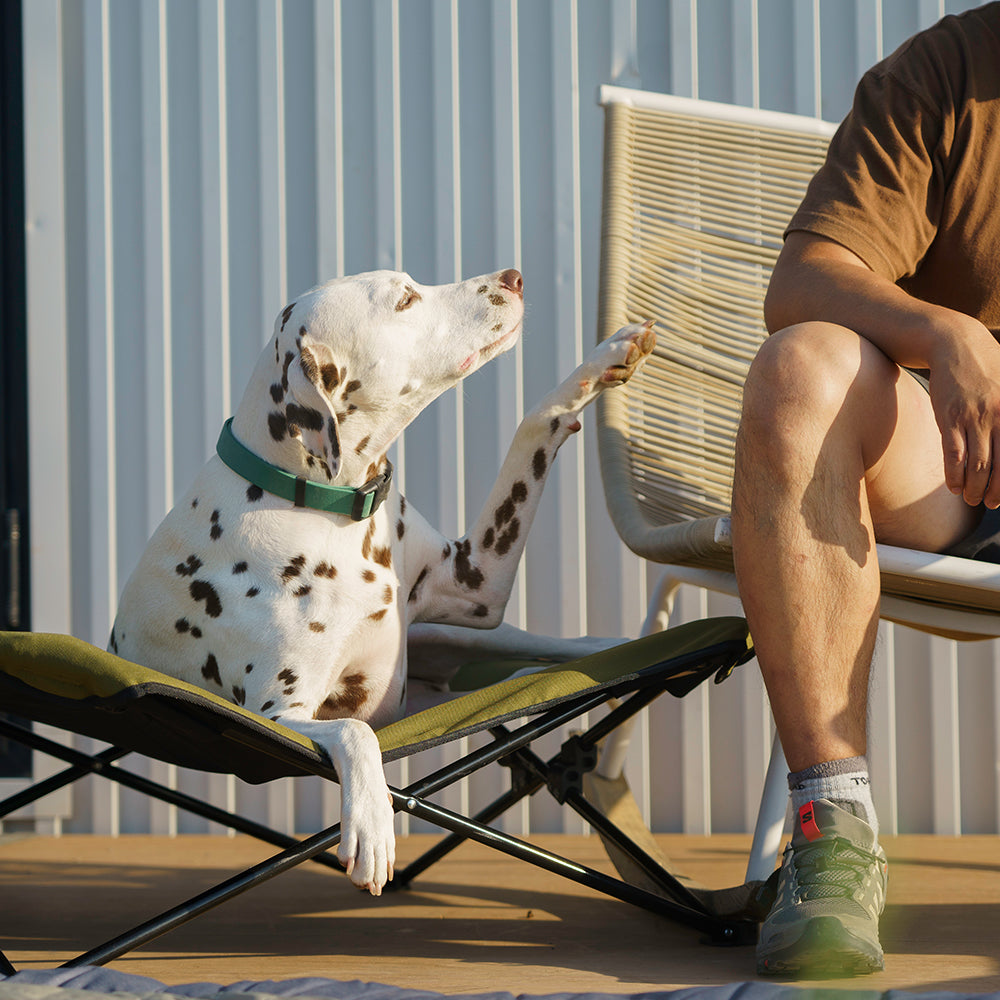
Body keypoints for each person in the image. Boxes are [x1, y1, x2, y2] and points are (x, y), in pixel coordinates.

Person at [730, 3, 1000, 977]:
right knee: (802, 367)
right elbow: (804, 278)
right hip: (959, 466)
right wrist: (947, 335)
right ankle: (832, 833)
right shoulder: (943, 72)